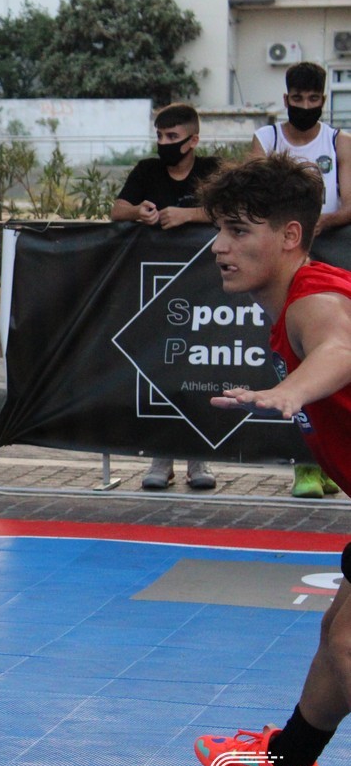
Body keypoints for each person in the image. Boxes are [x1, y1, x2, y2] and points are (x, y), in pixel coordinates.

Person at [194, 152, 351, 766]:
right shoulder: (296, 298)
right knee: (337, 639)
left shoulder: (313, 299)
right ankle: (289, 764)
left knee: (348, 648)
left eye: (237, 231)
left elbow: (340, 349)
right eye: (219, 229)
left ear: (289, 236)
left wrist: (290, 391)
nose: (220, 246)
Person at [251, 61, 351, 499]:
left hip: (326, 254)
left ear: (322, 101)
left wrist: (313, 226)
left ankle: (328, 461)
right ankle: (306, 464)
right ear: (286, 98)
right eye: (298, 98)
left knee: (328, 358)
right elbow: (252, 200)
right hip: (287, 259)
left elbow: (350, 204)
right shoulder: (267, 139)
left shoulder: (339, 141)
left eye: (313, 99)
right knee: (294, 361)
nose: (305, 105)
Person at [110, 102, 221, 491]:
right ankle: (162, 456)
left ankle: (197, 457)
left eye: (172, 137)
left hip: (205, 286)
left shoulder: (212, 170)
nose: (164, 143)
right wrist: (138, 212)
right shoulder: (147, 170)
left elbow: (233, 209)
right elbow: (117, 209)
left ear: (193, 141)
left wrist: (189, 215)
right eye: (160, 136)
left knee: (199, 370)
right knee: (160, 368)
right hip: (156, 288)